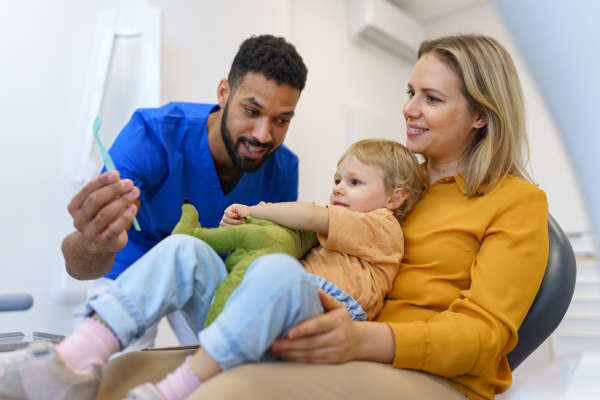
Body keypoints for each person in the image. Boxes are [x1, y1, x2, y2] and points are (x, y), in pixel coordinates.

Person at [174, 33, 546, 400]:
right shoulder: (392, 188)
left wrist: (359, 340)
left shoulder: (516, 201)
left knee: (228, 389)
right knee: (147, 366)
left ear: (481, 114)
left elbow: (481, 336)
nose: (410, 109)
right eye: (410, 92)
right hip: (347, 345)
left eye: (431, 98)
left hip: (439, 380)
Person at [0, 139, 427, 400]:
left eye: (354, 182)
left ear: (395, 199)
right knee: (184, 248)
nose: (337, 188)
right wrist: (241, 227)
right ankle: (72, 361)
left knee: (280, 272)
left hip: (314, 324)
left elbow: (311, 217)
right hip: (254, 314)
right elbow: (273, 238)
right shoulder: (329, 237)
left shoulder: (382, 229)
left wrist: (258, 208)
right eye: (336, 179)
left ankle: (171, 393)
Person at [61, 34, 308, 347]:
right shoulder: (152, 134)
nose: (263, 134)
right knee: (111, 370)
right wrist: (95, 242)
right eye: (251, 111)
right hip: (134, 255)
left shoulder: (283, 170)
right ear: (223, 93)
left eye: (281, 120)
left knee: (234, 367)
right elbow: (79, 267)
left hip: (213, 272)